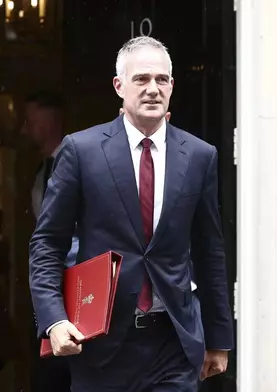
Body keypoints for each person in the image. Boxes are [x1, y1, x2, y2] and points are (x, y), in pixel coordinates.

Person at [29, 36, 234, 392]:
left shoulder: (200, 155)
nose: (153, 89)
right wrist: (54, 320)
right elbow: (47, 243)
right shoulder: (82, 150)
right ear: (119, 86)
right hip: (101, 345)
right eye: (141, 79)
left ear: (172, 86)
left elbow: (209, 250)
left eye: (162, 79)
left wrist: (218, 337)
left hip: (173, 342)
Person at [20, 91, 77, 392]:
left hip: (73, 291)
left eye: (31, 120)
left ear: (52, 120)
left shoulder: (75, 167)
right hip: (47, 288)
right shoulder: (41, 170)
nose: (24, 129)